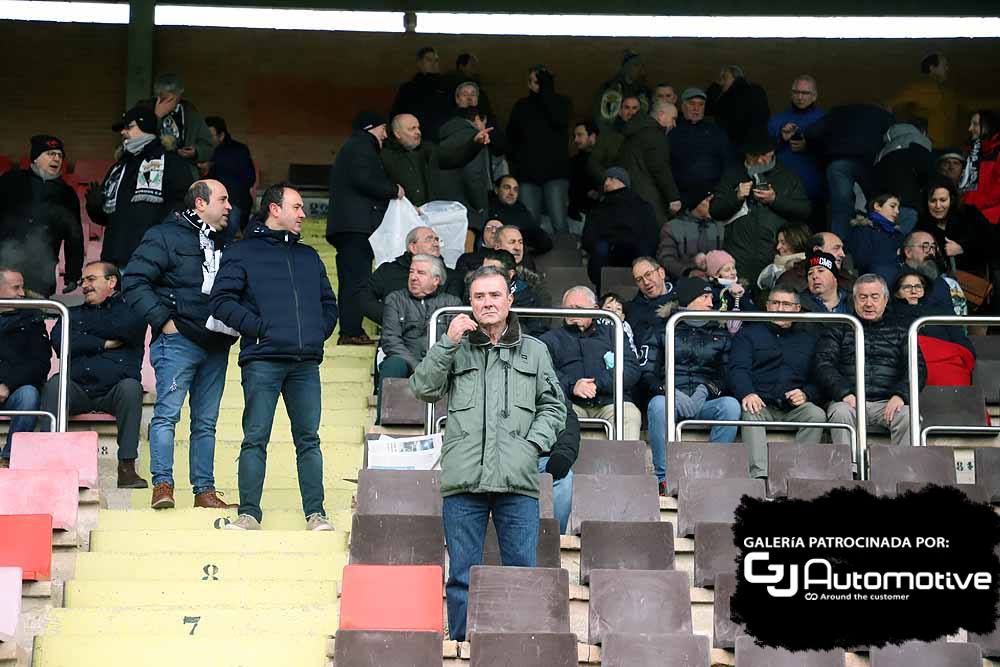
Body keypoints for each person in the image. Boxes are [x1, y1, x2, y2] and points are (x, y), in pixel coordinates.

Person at [410, 265, 566, 642]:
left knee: (520, 574)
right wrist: (446, 342)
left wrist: (532, 446)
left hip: (518, 481)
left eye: (495, 295)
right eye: (479, 297)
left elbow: (554, 407)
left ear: (510, 300)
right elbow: (423, 388)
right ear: (470, 303)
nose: (487, 303)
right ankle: (462, 645)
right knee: (462, 575)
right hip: (464, 481)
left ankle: (516, 647)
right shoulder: (455, 347)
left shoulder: (535, 350)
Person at [209, 183, 338, 531]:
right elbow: (221, 301)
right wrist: (260, 328)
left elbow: (329, 304)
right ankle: (249, 513)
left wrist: (316, 333)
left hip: (305, 364)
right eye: (296, 207)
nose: (303, 214)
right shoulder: (242, 252)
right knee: (255, 438)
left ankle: (316, 513)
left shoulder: (309, 256)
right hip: (262, 360)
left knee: (308, 439)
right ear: (274, 209)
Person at [123, 180, 238, 510]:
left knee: (206, 422)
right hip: (178, 340)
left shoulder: (226, 242)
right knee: (167, 416)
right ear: (200, 203)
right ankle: (163, 485)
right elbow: (134, 281)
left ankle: (204, 492)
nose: (229, 206)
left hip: (217, 343)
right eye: (223, 199)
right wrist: (164, 322)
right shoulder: (163, 235)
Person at [41, 261, 147, 488]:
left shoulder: (132, 311)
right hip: (78, 389)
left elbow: (127, 329)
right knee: (55, 384)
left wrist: (82, 335)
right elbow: (60, 342)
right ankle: (50, 461)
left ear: (112, 282)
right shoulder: (71, 312)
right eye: (83, 281)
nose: (85, 285)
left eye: (91, 279)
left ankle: (127, 467)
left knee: (131, 388)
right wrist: (104, 343)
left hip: (114, 391)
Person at [642, 277, 741, 492]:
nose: (710, 302)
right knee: (658, 405)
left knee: (731, 406)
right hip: (671, 400)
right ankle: (663, 478)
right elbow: (647, 374)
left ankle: (712, 477)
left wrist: (706, 390)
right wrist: (669, 391)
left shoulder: (720, 331)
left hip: (704, 402)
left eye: (711, 297)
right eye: (704, 297)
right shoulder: (662, 329)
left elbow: (727, 376)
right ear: (689, 300)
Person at [817, 274, 926, 448]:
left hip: (887, 402)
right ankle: (848, 471)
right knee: (840, 413)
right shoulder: (839, 327)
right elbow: (823, 364)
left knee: (909, 415)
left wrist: (901, 395)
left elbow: (917, 367)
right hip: (849, 400)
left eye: (875, 297)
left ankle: (903, 473)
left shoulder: (901, 329)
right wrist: (844, 393)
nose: (869, 303)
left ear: (885, 300)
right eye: (863, 297)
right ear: (854, 300)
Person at [728, 286, 826, 478]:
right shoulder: (748, 334)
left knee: (816, 414)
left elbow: (819, 378)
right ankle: (760, 477)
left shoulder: (809, 340)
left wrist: (807, 394)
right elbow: (738, 369)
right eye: (775, 303)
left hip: (793, 407)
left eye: (786, 304)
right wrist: (747, 393)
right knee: (750, 411)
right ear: (767, 306)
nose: (780, 308)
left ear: (797, 309)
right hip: (760, 403)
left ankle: (799, 476)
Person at [326, 111, 401, 345]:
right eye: (383, 129)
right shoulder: (362, 145)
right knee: (357, 281)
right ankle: (351, 332)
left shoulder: (353, 146)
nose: (385, 135)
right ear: (372, 128)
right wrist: (392, 189)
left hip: (350, 226)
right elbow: (364, 179)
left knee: (353, 280)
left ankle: (350, 330)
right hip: (356, 226)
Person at [87, 105, 193, 268]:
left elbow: (182, 205)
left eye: (129, 127)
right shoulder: (118, 168)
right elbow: (104, 218)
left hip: (152, 259)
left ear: (147, 126)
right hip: (114, 259)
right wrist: (94, 206)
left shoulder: (171, 162)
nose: (123, 132)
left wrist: (157, 238)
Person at [711, 130, 811, 289]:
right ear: (746, 154)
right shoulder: (732, 173)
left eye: (765, 155)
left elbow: (804, 211)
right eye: (754, 156)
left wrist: (774, 200)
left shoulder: (786, 177)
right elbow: (715, 210)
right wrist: (736, 197)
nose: (760, 160)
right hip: (738, 257)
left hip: (774, 257)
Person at [540, 286, 643, 440]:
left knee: (630, 414)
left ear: (595, 309)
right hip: (570, 402)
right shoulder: (550, 339)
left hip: (610, 401)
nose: (573, 313)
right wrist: (572, 385)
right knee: (556, 414)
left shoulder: (613, 332)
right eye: (568, 309)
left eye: (579, 308)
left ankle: (624, 464)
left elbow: (631, 369)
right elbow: (543, 373)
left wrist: (598, 384)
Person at [376, 254, 461, 421]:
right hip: (408, 361)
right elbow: (390, 340)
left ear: (436, 280)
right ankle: (383, 423)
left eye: (420, 273)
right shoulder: (395, 299)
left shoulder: (452, 303)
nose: (413, 277)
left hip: (441, 363)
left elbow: (460, 342)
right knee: (392, 363)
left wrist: (434, 366)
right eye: (411, 272)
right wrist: (418, 367)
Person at [0, 135, 84, 297]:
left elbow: (75, 236)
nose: (57, 159)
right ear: (36, 158)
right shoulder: (11, 181)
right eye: (50, 154)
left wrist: (73, 274)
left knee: (35, 318)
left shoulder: (66, 194)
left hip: (41, 273)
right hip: (5, 268)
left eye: (60, 155)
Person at [803, 104, 894, 240]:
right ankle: (877, 243)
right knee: (877, 205)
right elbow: (893, 138)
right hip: (869, 163)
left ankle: (839, 247)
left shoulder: (837, 112)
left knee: (841, 208)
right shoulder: (884, 115)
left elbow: (811, 132)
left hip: (839, 162)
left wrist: (824, 147)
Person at [506, 65, 572, 234]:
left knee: (559, 224)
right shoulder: (521, 106)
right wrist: (517, 167)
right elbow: (511, 139)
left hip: (555, 173)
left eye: (541, 82)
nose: (537, 85)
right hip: (527, 175)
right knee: (529, 226)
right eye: (534, 82)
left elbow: (559, 119)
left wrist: (546, 91)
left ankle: (564, 260)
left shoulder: (562, 103)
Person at [360, 226, 463, 326]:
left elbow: (450, 310)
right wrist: (390, 318)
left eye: (437, 240)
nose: (436, 243)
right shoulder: (388, 271)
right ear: (413, 247)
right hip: (393, 337)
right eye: (429, 239)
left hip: (434, 339)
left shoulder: (452, 276)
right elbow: (363, 297)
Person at [380, 113, 488, 208]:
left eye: (418, 128)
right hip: (399, 215)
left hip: (429, 213)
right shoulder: (384, 155)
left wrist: (474, 143)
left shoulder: (428, 149)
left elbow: (454, 157)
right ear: (397, 134)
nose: (418, 132)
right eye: (412, 129)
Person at [892, 268, 976, 387]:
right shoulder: (890, 316)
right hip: (909, 368)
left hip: (948, 368)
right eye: (907, 287)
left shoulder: (940, 313)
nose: (914, 291)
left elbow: (963, 343)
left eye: (918, 287)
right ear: (897, 292)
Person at [0, 269, 49, 467]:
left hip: (13, 392)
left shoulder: (32, 320)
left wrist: (6, 385)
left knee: (29, 394)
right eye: (16, 288)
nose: (22, 293)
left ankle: (9, 457)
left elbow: (40, 364)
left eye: (23, 287)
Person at [581, 167, 658, 291]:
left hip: (614, 257)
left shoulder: (600, 208)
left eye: (611, 178)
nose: (606, 183)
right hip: (629, 258)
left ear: (620, 180)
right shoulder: (643, 206)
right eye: (605, 179)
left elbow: (588, 238)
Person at [768, 75, 826, 221]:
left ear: (814, 96)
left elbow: (833, 151)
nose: (800, 97)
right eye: (796, 92)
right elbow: (763, 152)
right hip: (782, 191)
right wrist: (782, 137)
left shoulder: (824, 119)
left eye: (805, 93)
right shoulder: (777, 120)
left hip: (813, 191)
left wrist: (810, 145)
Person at [437, 105, 510, 218]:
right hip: (469, 205)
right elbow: (474, 174)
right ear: (476, 119)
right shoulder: (475, 138)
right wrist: (480, 205)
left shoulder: (445, 138)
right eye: (484, 122)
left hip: (445, 202)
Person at [617, 101, 682, 224]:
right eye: (673, 119)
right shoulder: (655, 135)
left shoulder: (634, 133)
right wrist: (673, 198)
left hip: (628, 198)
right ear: (661, 115)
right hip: (648, 202)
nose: (674, 124)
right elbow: (659, 168)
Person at [916, 176, 995, 276]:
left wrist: (962, 248)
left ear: (951, 200)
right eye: (933, 201)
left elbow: (992, 243)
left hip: (973, 282)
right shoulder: (922, 226)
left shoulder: (970, 214)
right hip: (940, 283)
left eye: (943, 200)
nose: (938, 206)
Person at [670, 88, 731, 210]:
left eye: (701, 104)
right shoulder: (673, 133)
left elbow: (728, 162)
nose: (696, 109)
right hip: (682, 198)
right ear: (682, 106)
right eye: (692, 104)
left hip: (711, 198)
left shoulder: (716, 132)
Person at [874, 230, 956, 315]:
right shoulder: (889, 276)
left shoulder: (941, 283)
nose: (931, 252)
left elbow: (950, 319)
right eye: (925, 246)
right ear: (908, 252)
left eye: (933, 247)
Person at [887, 53, 961, 147]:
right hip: (929, 147)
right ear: (932, 68)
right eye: (944, 65)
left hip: (947, 148)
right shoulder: (920, 87)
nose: (947, 68)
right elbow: (891, 106)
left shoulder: (947, 92)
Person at [873, 121, 933, 235]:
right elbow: (928, 175)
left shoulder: (881, 153)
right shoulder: (917, 144)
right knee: (904, 241)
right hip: (908, 204)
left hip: (881, 207)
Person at [204, 116, 255, 238]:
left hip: (234, 203)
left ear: (221, 136)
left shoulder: (238, 151)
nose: (206, 139)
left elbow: (249, 178)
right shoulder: (202, 151)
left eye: (210, 135)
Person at [656, 192, 724, 280]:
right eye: (708, 200)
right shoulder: (672, 227)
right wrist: (687, 272)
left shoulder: (718, 227)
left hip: (715, 281)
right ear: (697, 203)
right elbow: (666, 259)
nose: (713, 205)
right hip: (683, 283)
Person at [391, 47, 451, 143]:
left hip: (442, 140)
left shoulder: (447, 87)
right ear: (419, 63)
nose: (433, 64)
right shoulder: (408, 89)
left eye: (436, 61)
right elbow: (397, 115)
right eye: (429, 60)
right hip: (416, 140)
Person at [480, 249, 547, 337]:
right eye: (483, 270)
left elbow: (537, 332)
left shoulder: (529, 297)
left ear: (510, 274)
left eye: (493, 271)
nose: (486, 275)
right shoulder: (473, 291)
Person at [708, 65, 771, 149]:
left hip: (736, 146)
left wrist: (715, 86)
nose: (722, 82)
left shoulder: (727, 97)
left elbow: (708, 108)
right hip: (759, 145)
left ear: (734, 78)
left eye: (724, 78)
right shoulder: (757, 90)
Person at [486, 176, 552, 255]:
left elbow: (537, 233)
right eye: (507, 188)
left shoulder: (520, 207)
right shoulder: (488, 208)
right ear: (496, 190)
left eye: (515, 189)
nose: (511, 193)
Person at [587, 94, 641, 188]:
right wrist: (610, 179)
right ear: (620, 111)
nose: (631, 112)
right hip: (613, 190)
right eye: (627, 108)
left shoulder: (647, 134)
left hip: (641, 190)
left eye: (634, 108)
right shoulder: (607, 135)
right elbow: (593, 163)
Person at [543, 397, 580, 534]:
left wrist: (563, 454)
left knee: (564, 477)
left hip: (542, 458)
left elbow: (567, 420)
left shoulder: (546, 381)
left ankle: (555, 537)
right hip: (503, 458)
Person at [592, 50, 651, 135]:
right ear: (625, 66)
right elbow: (600, 115)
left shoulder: (644, 91)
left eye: (641, 66)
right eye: (635, 65)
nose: (639, 69)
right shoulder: (610, 88)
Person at [775, 231, 853, 293]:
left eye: (842, 249)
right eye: (836, 248)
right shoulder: (790, 280)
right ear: (817, 250)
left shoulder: (849, 279)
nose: (842, 254)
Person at [846, 193, 905, 274]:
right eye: (892, 206)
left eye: (898, 208)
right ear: (877, 206)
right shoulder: (863, 231)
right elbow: (862, 262)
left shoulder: (898, 234)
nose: (897, 211)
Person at [625, 256, 675, 349]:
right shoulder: (633, 311)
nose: (646, 282)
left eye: (648, 274)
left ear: (661, 273)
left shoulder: (683, 298)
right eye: (639, 280)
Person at [961, 110, 1000, 225]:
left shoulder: (997, 153)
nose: (970, 129)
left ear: (988, 126)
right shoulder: (974, 152)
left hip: (991, 221)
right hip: (971, 218)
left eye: (975, 124)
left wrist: (975, 206)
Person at [757, 222, 811, 291]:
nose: (778, 247)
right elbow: (763, 283)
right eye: (778, 242)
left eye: (783, 243)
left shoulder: (811, 265)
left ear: (796, 242)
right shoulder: (772, 268)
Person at [569, 121, 600, 222]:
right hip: (578, 216)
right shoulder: (574, 161)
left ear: (592, 137)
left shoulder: (604, 160)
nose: (576, 140)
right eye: (575, 136)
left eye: (580, 135)